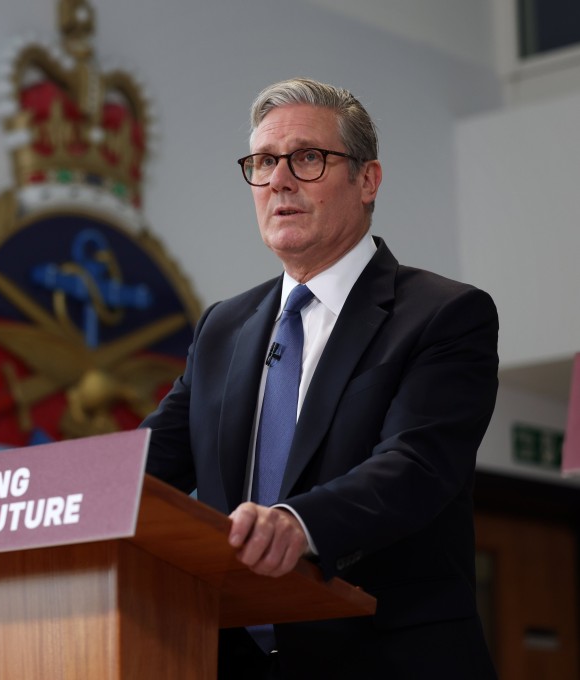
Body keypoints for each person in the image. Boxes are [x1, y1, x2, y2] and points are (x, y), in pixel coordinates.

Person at [140, 77, 499, 678]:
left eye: (307, 158)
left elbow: (415, 465)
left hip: (387, 655)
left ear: (367, 180)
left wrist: (299, 524)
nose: (278, 179)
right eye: (261, 162)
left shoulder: (444, 314)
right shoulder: (223, 329)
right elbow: (142, 470)